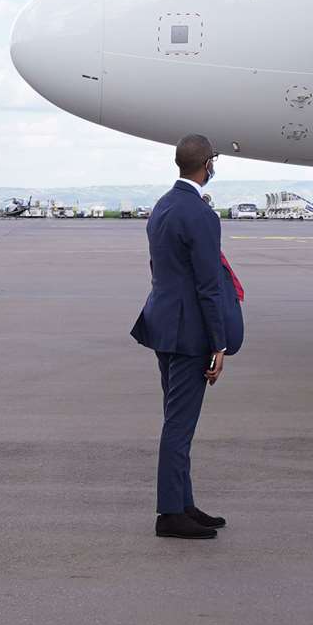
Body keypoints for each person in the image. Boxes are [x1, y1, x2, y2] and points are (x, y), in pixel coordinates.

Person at [130, 135, 245, 539]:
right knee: (179, 426)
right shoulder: (200, 214)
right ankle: (169, 514)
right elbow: (208, 286)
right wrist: (219, 344)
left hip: (163, 326)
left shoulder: (162, 206)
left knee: (176, 420)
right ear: (207, 165)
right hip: (189, 335)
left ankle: (183, 503)